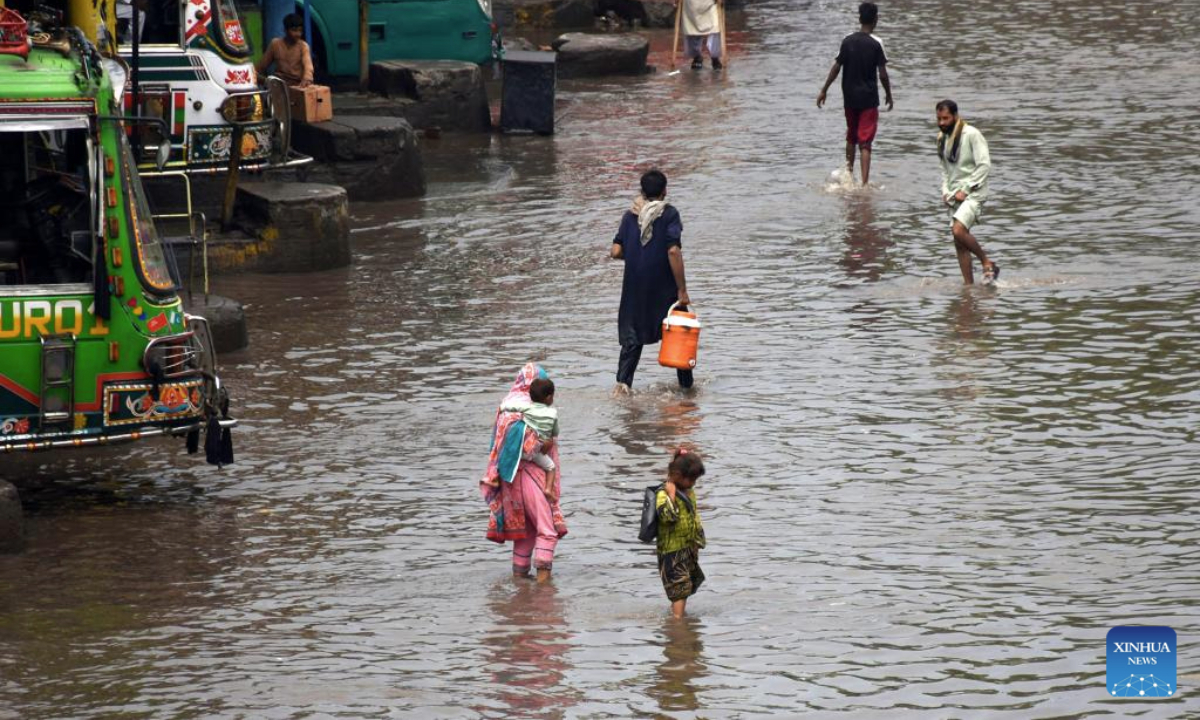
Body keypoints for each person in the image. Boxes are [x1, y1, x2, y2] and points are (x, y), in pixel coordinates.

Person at [481, 364, 568, 583]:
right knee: (547, 529)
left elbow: (499, 444)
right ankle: (544, 589)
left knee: (526, 531)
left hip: (509, 478)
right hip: (531, 474)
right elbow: (532, 446)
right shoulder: (532, 409)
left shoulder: (506, 407)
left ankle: (521, 591)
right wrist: (544, 442)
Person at [610, 170, 694, 394]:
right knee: (679, 333)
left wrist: (638, 254)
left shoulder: (630, 216)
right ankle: (686, 392)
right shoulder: (669, 214)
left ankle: (622, 388)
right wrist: (682, 290)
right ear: (665, 190)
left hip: (634, 288)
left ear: (642, 191)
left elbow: (616, 251)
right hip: (664, 288)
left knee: (632, 340)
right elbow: (673, 251)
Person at [816, 2, 893, 186]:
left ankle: (849, 176)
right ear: (876, 20)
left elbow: (836, 67)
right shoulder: (876, 43)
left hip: (849, 97)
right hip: (868, 99)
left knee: (851, 136)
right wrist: (889, 94)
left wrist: (824, 89)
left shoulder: (847, 40)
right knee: (865, 142)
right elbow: (882, 74)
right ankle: (864, 184)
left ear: (859, 19)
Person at [936, 99, 998, 284]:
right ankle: (968, 288)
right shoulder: (941, 138)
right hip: (954, 194)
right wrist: (945, 191)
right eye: (939, 119)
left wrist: (966, 189)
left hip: (973, 192)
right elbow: (945, 170)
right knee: (960, 244)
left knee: (958, 230)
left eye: (946, 118)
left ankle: (987, 262)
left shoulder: (971, 134)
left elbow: (984, 165)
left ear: (955, 116)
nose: (942, 123)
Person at [656, 448, 706, 618]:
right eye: (690, 479)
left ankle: (677, 616)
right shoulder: (663, 494)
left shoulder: (689, 492)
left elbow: (694, 517)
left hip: (687, 548)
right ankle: (678, 622)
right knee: (679, 588)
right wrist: (671, 496)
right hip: (671, 551)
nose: (693, 483)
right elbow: (667, 516)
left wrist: (697, 541)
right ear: (677, 475)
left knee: (686, 586)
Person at [500, 377, 560, 488]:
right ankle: (548, 489)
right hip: (536, 451)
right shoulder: (553, 413)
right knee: (551, 467)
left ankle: (495, 477)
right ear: (549, 397)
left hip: (521, 447)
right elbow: (555, 432)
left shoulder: (527, 407)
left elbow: (510, 407)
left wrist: (502, 408)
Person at [255, 14, 314, 88]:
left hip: (297, 85)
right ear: (285, 30)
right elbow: (262, 65)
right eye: (294, 30)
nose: (298, 34)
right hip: (279, 85)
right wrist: (253, 74)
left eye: (300, 31)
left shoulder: (303, 46)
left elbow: (308, 66)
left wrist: (307, 78)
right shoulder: (275, 44)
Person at [681, 0, 724, 70]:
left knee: (715, 27)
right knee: (691, 28)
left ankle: (715, 57)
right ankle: (696, 56)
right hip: (691, 4)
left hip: (710, 3)